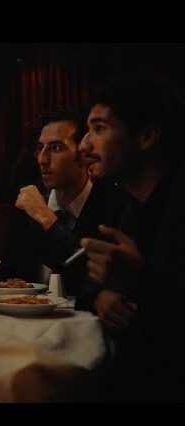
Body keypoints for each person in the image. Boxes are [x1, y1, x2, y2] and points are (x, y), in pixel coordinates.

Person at [78, 76, 185, 401]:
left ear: (146, 136)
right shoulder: (125, 206)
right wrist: (101, 295)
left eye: (99, 129)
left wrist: (140, 281)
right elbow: (87, 277)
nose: (83, 145)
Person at [0, 109, 126, 297]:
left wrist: (46, 218)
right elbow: (7, 274)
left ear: (83, 154)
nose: (42, 159)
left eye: (56, 148)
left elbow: (90, 278)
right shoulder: (27, 198)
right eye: (40, 148)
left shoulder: (113, 202)